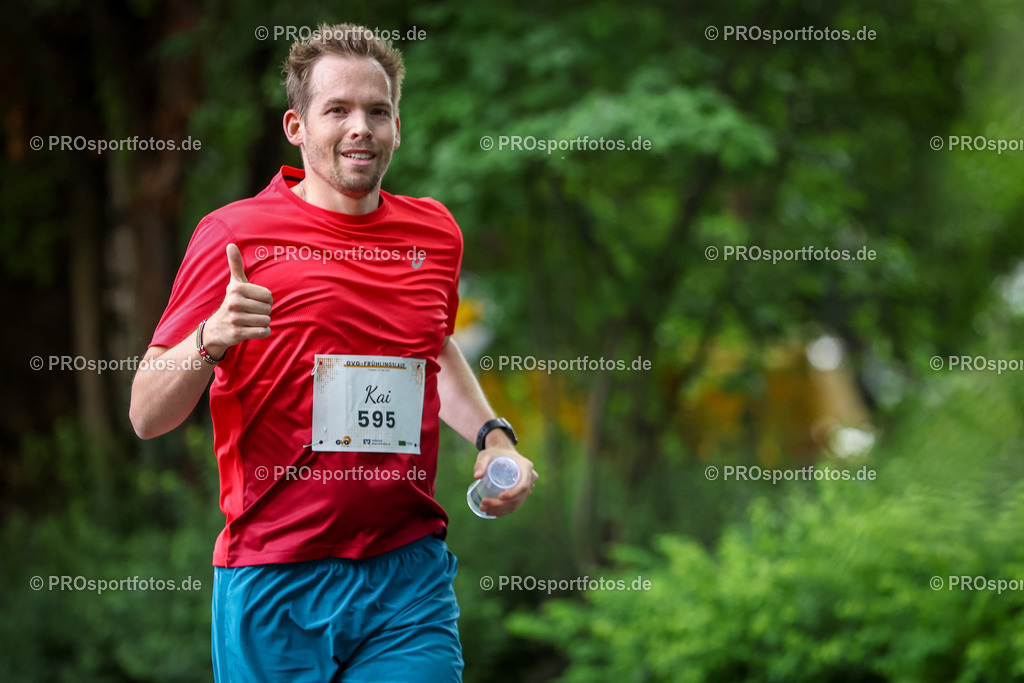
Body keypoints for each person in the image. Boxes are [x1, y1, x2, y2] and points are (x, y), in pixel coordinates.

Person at [129, 22, 537, 682]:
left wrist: (494, 436)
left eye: (378, 111)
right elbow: (146, 413)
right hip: (274, 577)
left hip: (407, 574)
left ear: (398, 127)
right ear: (296, 125)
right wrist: (211, 338)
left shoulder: (433, 234)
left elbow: (431, 348)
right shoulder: (235, 234)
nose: (361, 128)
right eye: (338, 110)